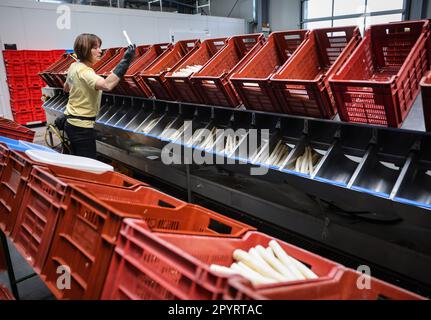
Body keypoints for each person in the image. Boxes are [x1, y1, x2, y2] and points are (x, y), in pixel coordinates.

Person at [63, 33, 136, 159]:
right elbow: (107, 85)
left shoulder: (73, 66)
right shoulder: (85, 71)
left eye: (99, 47)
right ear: (86, 50)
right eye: (95, 48)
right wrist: (125, 61)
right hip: (82, 128)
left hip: (71, 122)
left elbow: (66, 88)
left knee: (77, 160)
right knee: (88, 165)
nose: (100, 51)